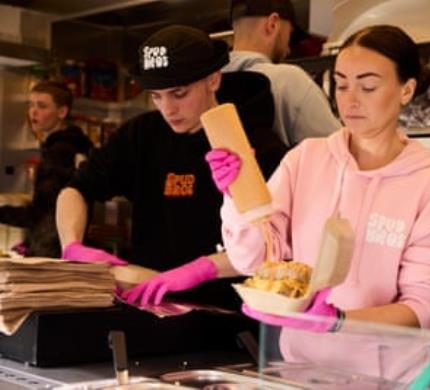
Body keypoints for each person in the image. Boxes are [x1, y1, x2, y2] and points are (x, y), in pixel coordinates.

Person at [208, 25, 430, 375]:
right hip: (302, 372)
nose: (350, 100)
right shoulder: (306, 159)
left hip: (387, 379)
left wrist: (340, 321)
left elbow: (420, 306)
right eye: (342, 84)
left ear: (407, 89)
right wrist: (237, 197)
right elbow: (254, 259)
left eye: (367, 86)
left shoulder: (429, 185)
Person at [55, 25, 284, 307]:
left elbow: (275, 244)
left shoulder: (252, 140)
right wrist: (72, 244)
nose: (167, 109)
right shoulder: (140, 135)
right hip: (149, 305)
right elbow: (75, 190)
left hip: (226, 317)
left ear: (213, 79)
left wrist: (198, 271)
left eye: (179, 93)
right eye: (156, 96)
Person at [223, 0, 341, 146]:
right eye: (289, 34)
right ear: (272, 24)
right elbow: (338, 150)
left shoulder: (208, 84)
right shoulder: (288, 80)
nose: (288, 49)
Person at [0, 81, 93, 257]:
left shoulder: (59, 152)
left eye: (42, 106)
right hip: (69, 247)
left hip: (51, 252)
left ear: (62, 112)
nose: (33, 112)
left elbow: (42, 213)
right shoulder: (76, 144)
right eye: (31, 105)